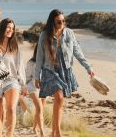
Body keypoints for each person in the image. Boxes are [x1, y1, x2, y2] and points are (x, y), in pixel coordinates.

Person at [34, 9, 94, 137]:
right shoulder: (44, 35)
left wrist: (88, 68)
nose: (62, 23)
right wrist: (36, 75)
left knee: (59, 102)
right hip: (50, 71)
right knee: (60, 98)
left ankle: (53, 132)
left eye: (63, 21)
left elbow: (78, 52)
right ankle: (58, 133)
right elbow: (39, 57)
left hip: (65, 71)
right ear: (52, 22)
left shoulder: (69, 34)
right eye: (59, 21)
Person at [25, 44, 46, 136]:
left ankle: (34, 128)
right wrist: (25, 88)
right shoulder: (31, 63)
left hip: (45, 89)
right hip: (33, 88)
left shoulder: (49, 63)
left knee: (40, 110)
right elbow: (27, 77)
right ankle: (42, 132)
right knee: (40, 109)